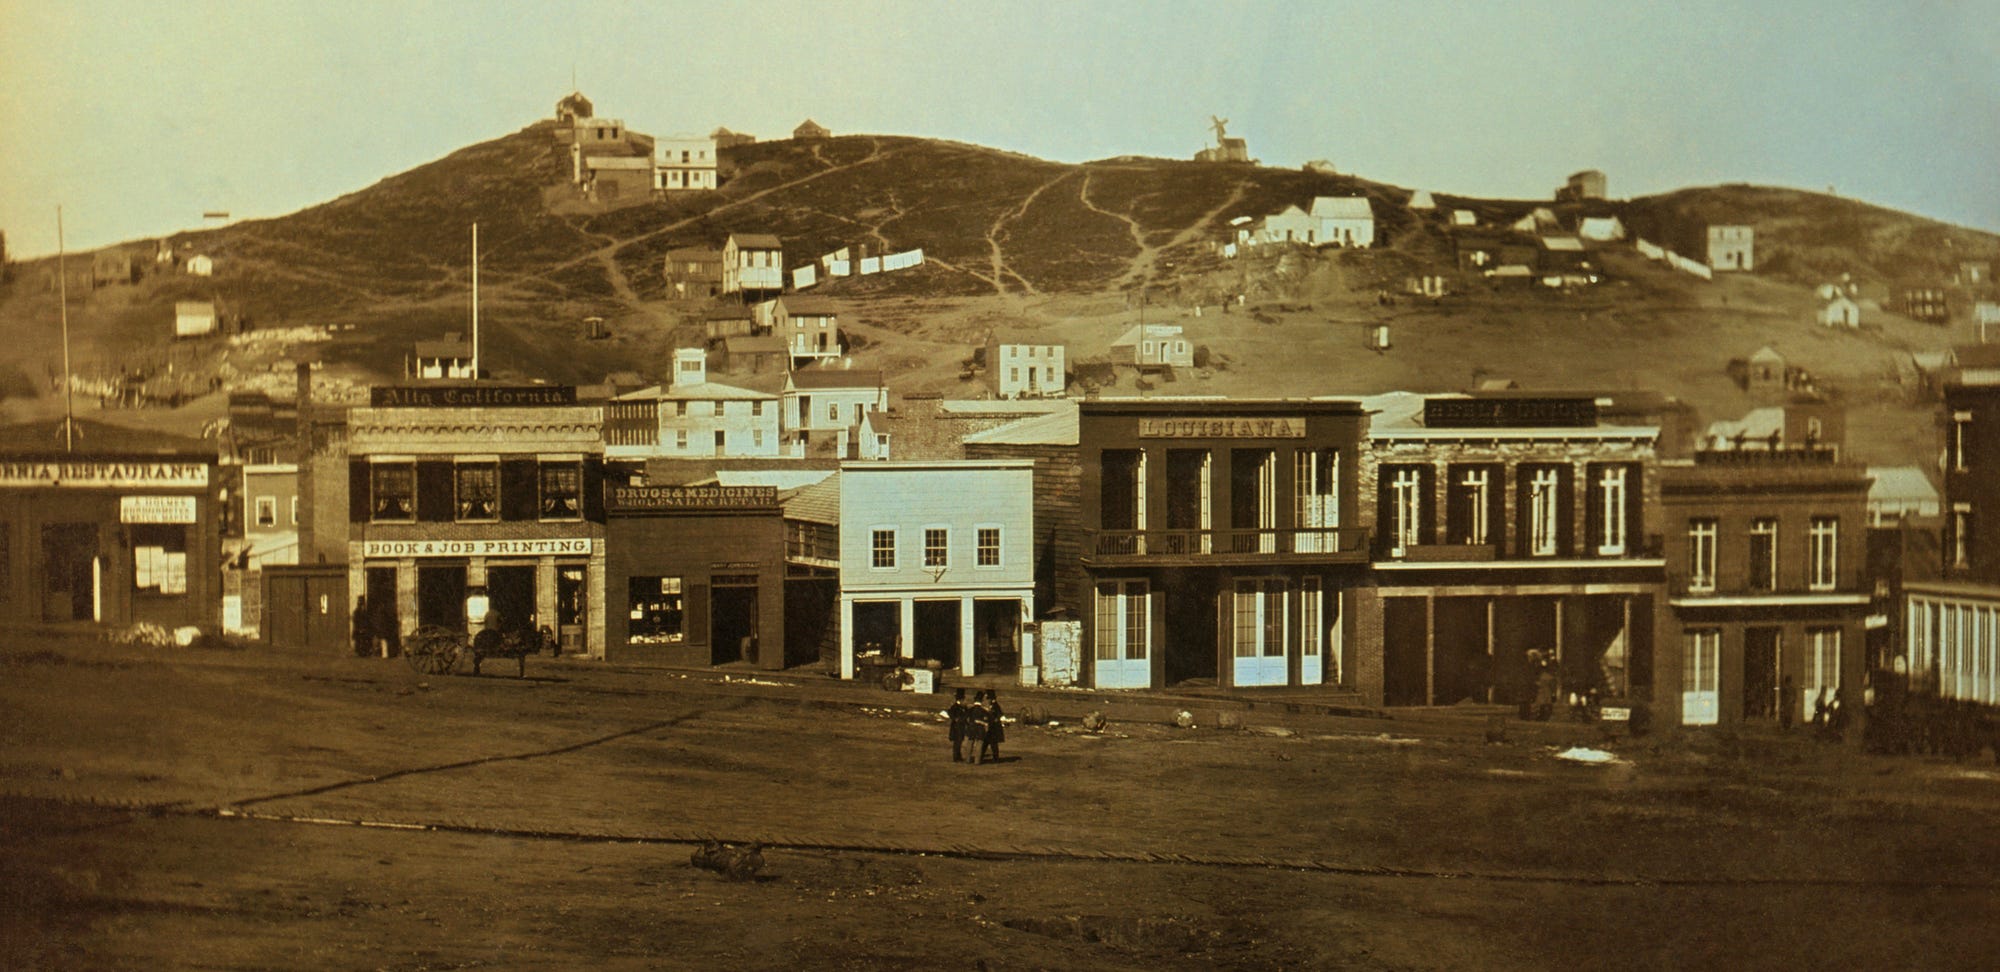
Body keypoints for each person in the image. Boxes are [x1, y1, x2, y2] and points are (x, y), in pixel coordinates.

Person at [979, 690, 1006, 764]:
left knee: (991, 745)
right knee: (989, 744)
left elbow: (998, 716)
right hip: (991, 728)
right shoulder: (994, 705)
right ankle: (982, 757)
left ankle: (987, 758)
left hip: (993, 729)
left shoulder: (995, 706)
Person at [947, 689, 972, 763]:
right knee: (957, 742)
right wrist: (955, 718)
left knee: (960, 741)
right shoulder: (955, 707)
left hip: (961, 726)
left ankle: (958, 756)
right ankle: (956, 757)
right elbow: (951, 713)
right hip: (956, 727)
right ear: (961, 699)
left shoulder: (963, 707)